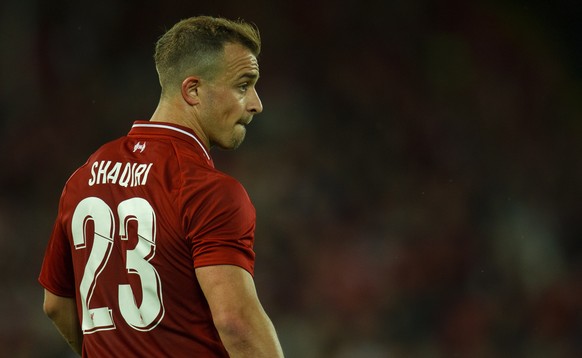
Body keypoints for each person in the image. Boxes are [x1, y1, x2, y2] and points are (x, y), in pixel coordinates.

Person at [38, 16, 284, 357]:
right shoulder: (208, 190)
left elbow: (55, 304)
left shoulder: (83, 177)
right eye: (243, 85)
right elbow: (236, 324)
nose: (256, 103)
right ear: (193, 90)